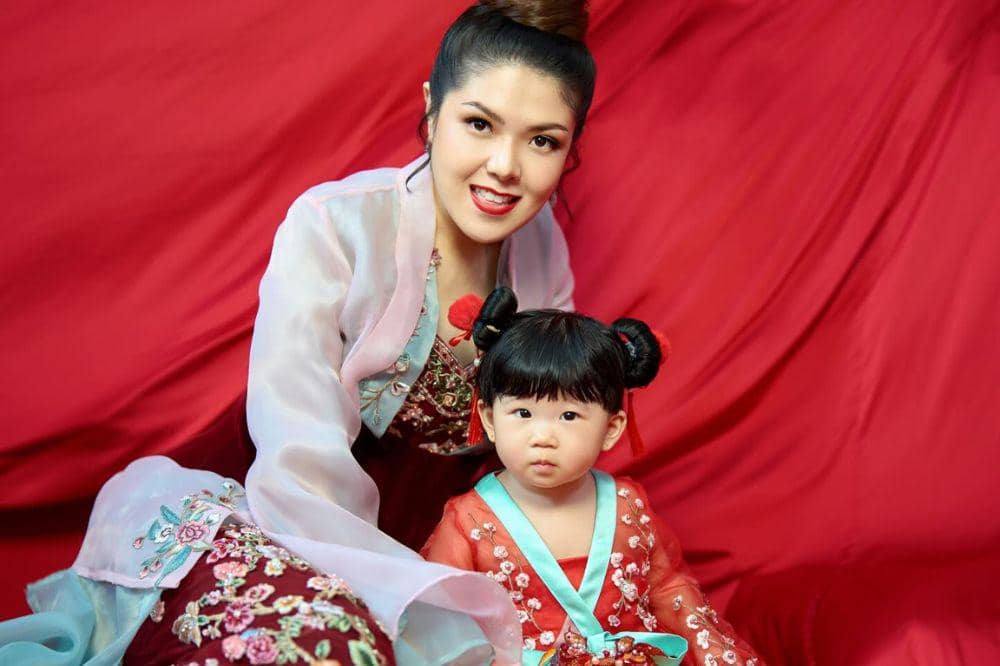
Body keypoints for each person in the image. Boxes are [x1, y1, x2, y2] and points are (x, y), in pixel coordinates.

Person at [0, 2, 594, 665]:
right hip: (272, 516)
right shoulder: (336, 226)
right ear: (432, 109)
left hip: (429, 552)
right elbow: (298, 462)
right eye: (479, 124)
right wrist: (410, 591)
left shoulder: (542, 255)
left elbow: (539, 444)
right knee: (326, 644)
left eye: (543, 141)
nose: (506, 166)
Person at [421, 288, 763, 666]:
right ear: (489, 419)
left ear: (611, 428)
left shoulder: (627, 505)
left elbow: (671, 590)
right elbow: (441, 623)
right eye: (522, 413)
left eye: (568, 416)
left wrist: (717, 657)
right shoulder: (468, 519)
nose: (542, 437)